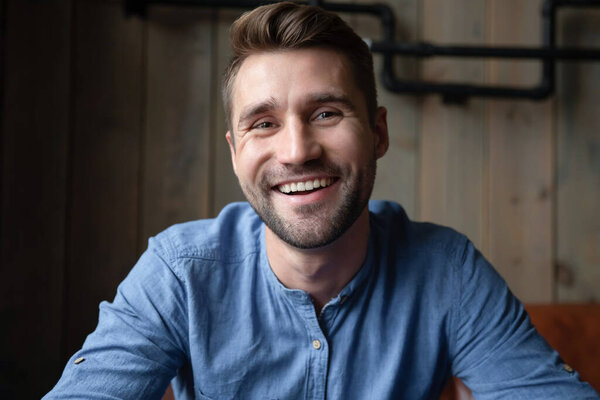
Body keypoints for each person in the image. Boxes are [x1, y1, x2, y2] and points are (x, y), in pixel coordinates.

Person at [44, 2, 599, 399]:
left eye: (327, 113)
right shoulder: (179, 273)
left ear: (377, 133)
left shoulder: (446, 270)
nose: (297, 150)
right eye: (264, 123)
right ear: (236, 153)